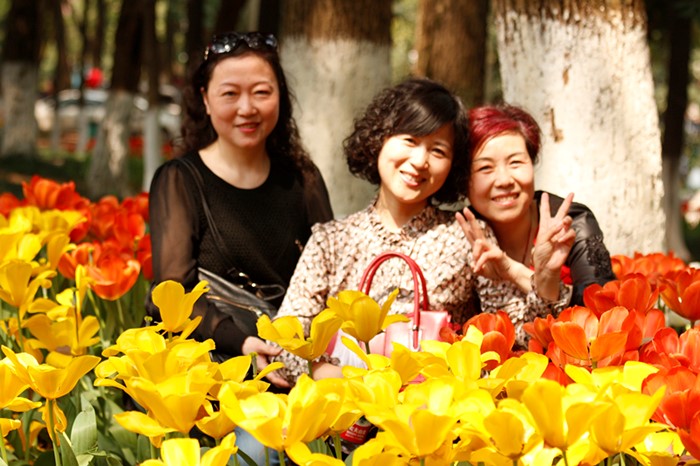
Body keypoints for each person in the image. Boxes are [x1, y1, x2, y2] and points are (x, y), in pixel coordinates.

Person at [146, 31, 333, 464]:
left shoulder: (301, 179)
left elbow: (332, 271)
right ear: (205, 99)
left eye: (261, 92)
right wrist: (245, 344)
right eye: (230, 94)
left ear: (280, 97)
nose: (247, 108)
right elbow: (172, 295)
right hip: (215, 365)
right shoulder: (180, 180)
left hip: (291, 363)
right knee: (255, 453)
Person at [272, 77, 477, 385]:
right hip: (343, 408)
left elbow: (507, 338)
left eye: (438, 150)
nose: (419, 161)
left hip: (434, 410)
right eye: (410, 141)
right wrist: (340, 376)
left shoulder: (465, 237)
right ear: (379, 138)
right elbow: (283, 339)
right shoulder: (331, 241)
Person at [457, 103, 616, 347]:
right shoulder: (456, 233)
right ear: (463, 179)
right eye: (485, 167)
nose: (504, 180)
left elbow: (604, 316)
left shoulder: (571, 224)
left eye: (515, 163)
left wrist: (534, 276)